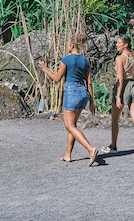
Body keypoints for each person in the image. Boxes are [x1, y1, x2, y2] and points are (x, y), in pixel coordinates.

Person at [38, 32, 98, 166]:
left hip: (71, 93)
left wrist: (45, 69)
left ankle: (91, 149)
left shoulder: (66, 60)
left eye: (68, 44)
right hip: (83, 93)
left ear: (72, 45)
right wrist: (92, 102)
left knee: (69, 126)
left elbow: (56, 78)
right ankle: (67, 154)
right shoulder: (85, 61)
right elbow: (89, 82)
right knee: (73, 126)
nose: (67, 46)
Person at [100, 35, 134, 157]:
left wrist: (118, 96)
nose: (117, 45)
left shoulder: (120, 58)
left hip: (123, 87)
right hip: (133, 86)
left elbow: (120, 78)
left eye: (119, 43)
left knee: (115, 119)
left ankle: (113, 145)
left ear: (125, 44)